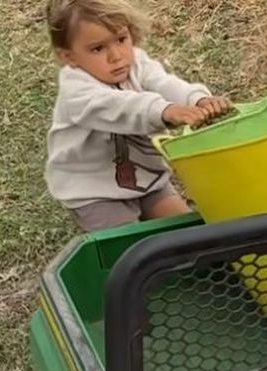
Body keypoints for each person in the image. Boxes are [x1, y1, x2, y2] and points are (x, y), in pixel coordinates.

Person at [43, 0, 233, 232]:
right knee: (130, 245)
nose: (116, 56)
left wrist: (196, 100)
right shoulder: (76, 90)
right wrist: (163, 110)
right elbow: (119, 108)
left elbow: (163, 83)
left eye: (121, 39)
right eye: (98, 49)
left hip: (148, 180)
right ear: (68, 57)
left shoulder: (136, 62)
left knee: (188, 235)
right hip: (95, 191)